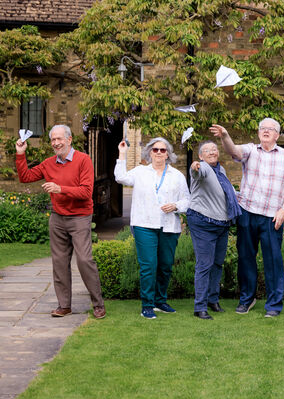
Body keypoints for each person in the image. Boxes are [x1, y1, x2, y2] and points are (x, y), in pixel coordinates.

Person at [210, 118, 284, 318]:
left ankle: (274, 305)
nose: (266, 131)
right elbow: (233, 151)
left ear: (277, 135)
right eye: (262, 128)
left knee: (273, 261)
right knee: (245, 259)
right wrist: (225, 136)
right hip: (248, 212)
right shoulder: (251, 150)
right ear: (259, 132)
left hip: (272, 216)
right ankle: (247, 299)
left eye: (271, 129)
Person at [15, 124, 106, 319]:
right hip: (58, 218)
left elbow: (86, 192)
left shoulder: (83, 160)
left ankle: (98, 304)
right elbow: (25, 177)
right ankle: (64, 305)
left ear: (69, 139)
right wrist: (21, 154)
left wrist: (60, 188)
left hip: (80, 216)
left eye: (59, 139)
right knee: (59, 262)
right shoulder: (48, 164)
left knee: (84, 260)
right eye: (53, 140)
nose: (56, 143)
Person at [115, 138, 189, 319]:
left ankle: (160, 301)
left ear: (168, 154)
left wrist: (175, 206)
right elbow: (120, 177)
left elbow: (187, 200)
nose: (158, 153)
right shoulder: (140, 172)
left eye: (163, 150)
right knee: (149, 265)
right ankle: (147, 304)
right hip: (144, 224)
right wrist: (122, 154)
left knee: (165, 266)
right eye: (155, 150)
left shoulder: (177, 175)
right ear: (149, 153)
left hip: (169, 226)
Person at [187, 141, 241, 320]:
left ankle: (212, 299)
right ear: (201, 156)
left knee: (217, 264)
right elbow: (197, 172)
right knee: (204, 264)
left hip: (221, 224)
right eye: (207, 151)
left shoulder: (221, 171)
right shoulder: (202, 168)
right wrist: (195, 166)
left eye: (214, 149)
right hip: (203, 222)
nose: (212, 152)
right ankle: (199, 307)